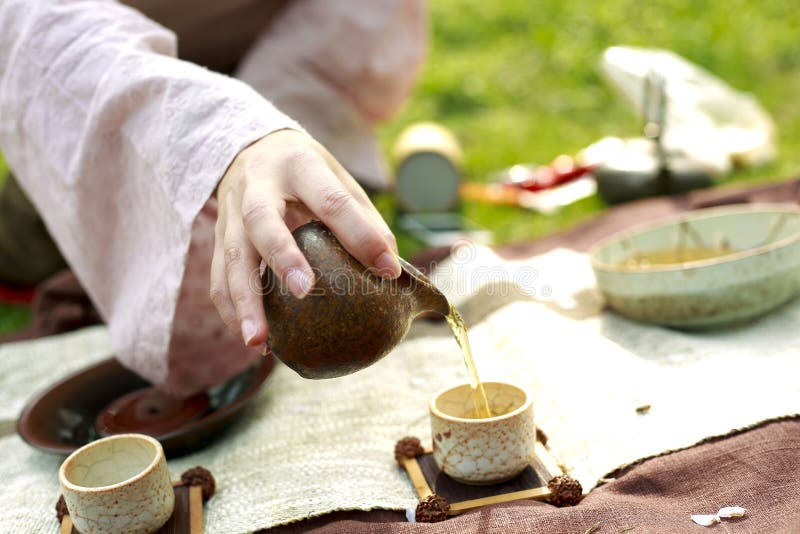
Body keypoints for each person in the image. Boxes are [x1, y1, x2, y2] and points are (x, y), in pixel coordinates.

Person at [0, 0, 426, 396]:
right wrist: (223, 138)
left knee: (280, 238)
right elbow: (30, 21)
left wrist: (273, 131)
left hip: (265, 51)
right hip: (95, 76)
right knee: (39, 250)